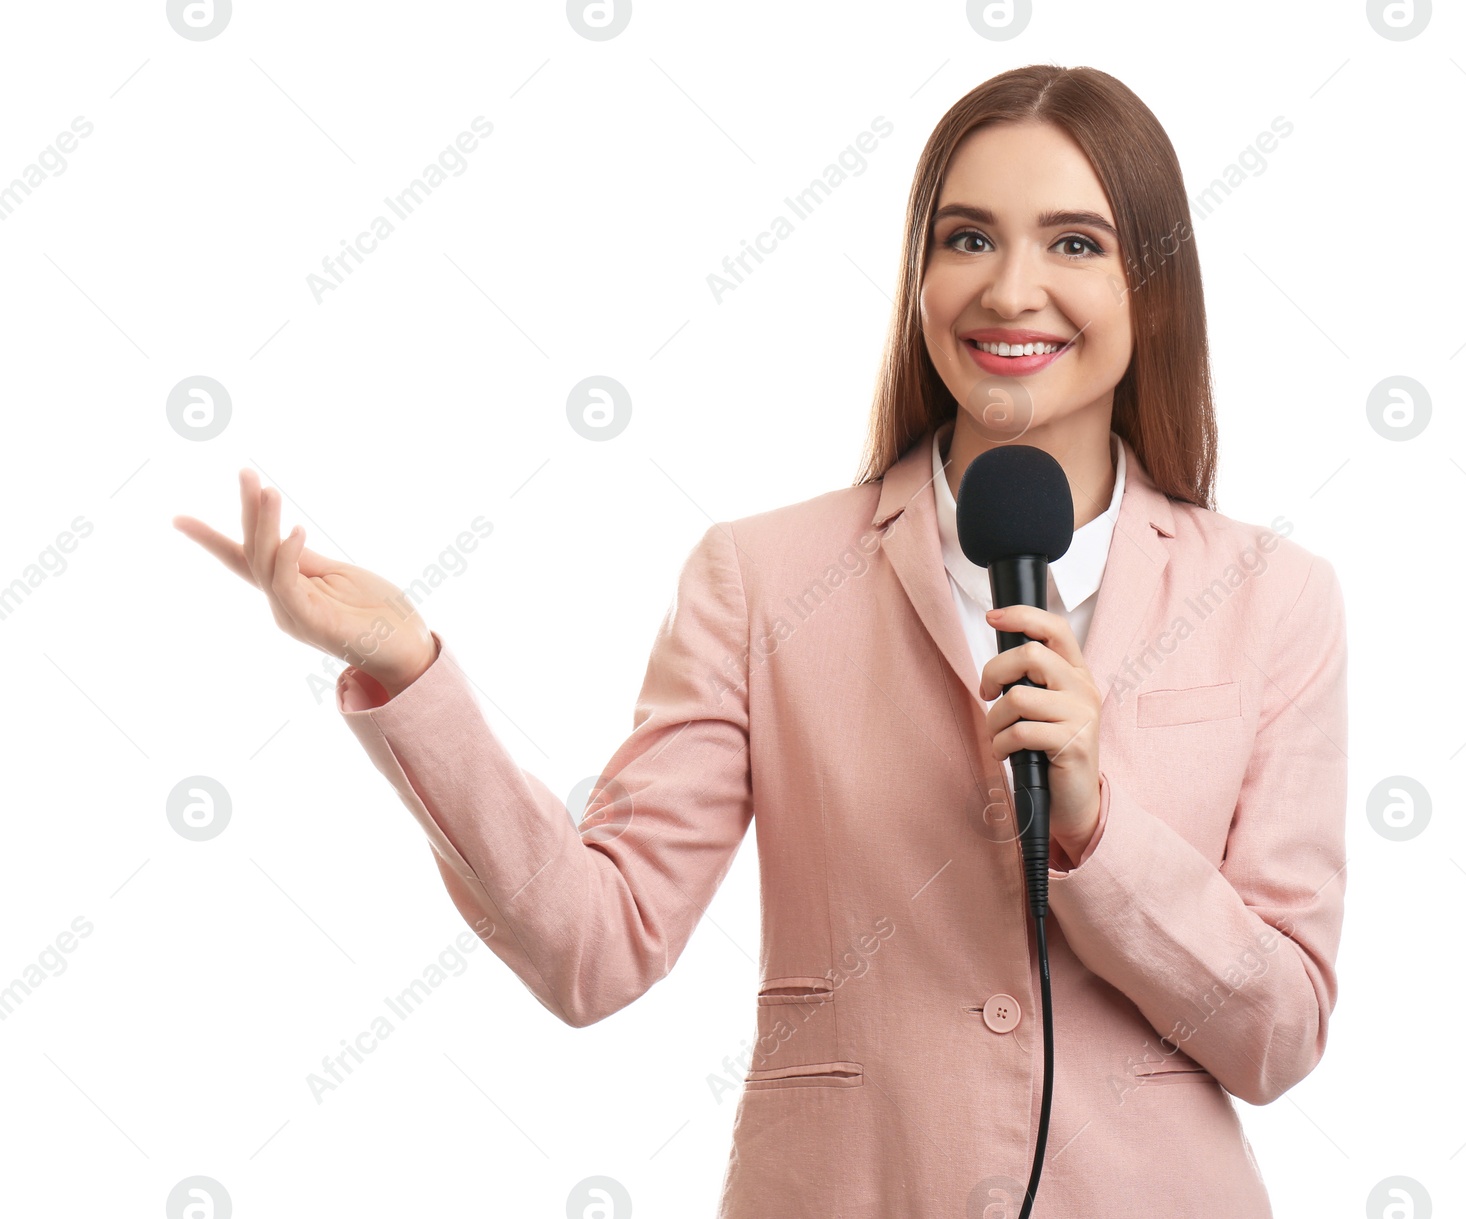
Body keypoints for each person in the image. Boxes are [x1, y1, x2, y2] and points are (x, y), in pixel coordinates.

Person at [175, 63, 1347, 1219]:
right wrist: (409, 669)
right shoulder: (762, 577)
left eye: (1076, 244)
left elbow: (1280, 1034)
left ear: (1155, 285)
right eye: (968, 238)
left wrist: (1097, 831)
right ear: (919, 275)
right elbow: (597, 943)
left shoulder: (1273, 599)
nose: (1011, 290)